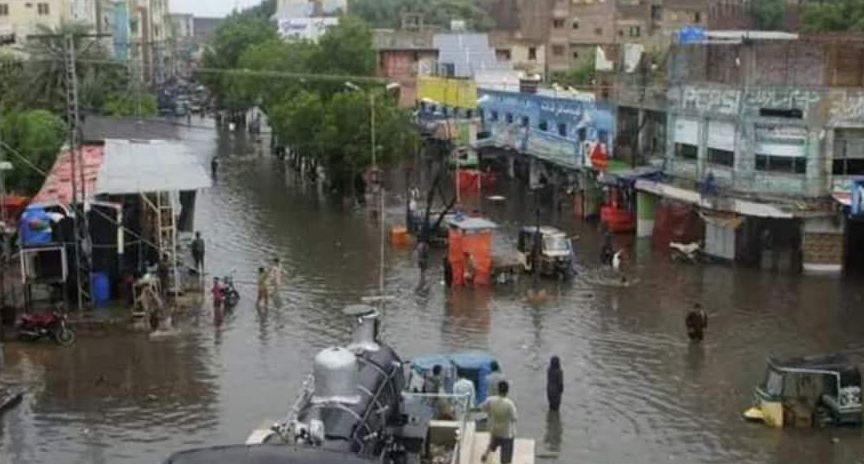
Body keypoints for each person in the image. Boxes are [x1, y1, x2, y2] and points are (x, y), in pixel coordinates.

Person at [481, 381, 518, 464]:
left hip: (494, 429)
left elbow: (483, 408)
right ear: (507, 391)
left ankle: (486, 454)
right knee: (505, 458)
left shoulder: (491, 400)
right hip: (506, 433)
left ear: (498, 390)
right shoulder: (510, 404)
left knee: (492, 443)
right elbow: (514, 418)